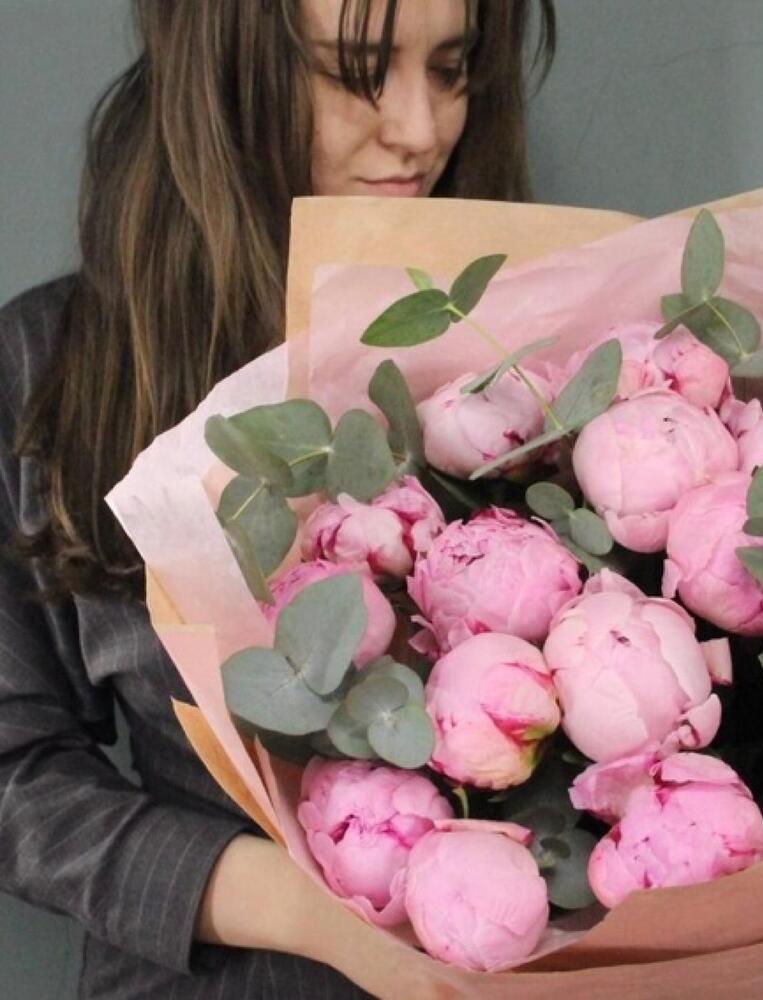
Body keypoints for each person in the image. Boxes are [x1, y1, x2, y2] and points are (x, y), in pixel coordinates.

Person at [0, 1, 555, 996]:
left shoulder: (548, 343)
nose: (419, 128)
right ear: (226, 71)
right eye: (355, 71)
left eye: (452, 67)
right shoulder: (55, 367)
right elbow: (15, 776)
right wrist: (314, 916)